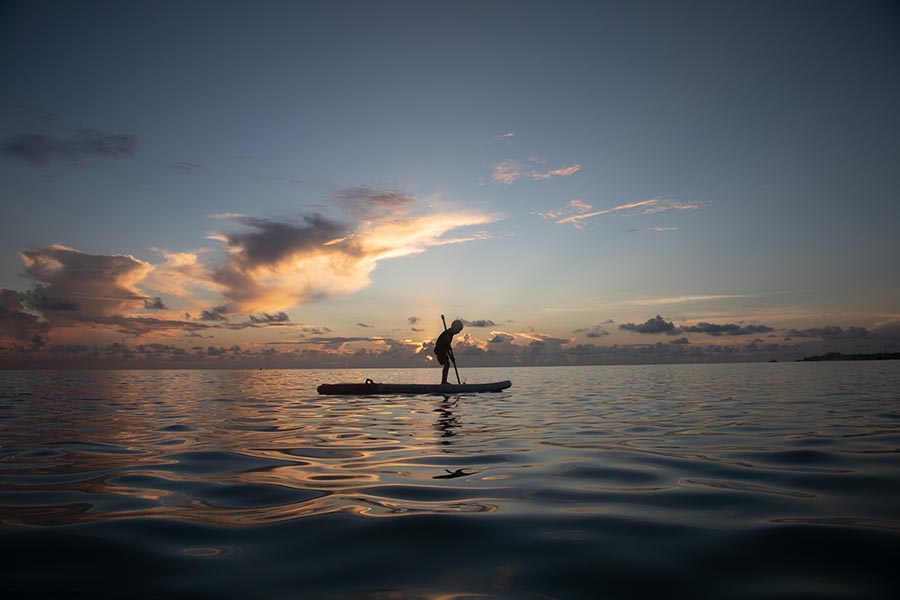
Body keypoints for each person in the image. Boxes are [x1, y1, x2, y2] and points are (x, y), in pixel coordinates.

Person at [434, 319, 463, 384]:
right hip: (439, 350)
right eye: (459, 330)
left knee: (447, 364)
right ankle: (443, 382)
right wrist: (450, 356)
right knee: (447, 364)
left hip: (442, 350)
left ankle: (444, 382)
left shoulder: (450, 333)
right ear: (455, 327)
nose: (459, 332)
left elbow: (447, 348)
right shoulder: (448, 333)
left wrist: (451, 357)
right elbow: (446, 345)